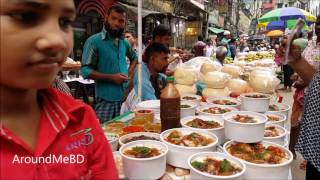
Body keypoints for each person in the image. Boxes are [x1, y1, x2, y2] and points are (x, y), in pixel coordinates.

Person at [0, 0, 118, 179]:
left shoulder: (80, 120)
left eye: (64, 22)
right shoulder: (94, 42)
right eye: (25, 16)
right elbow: (86, 70)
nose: (57, 41)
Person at [279, 14, 320, 179]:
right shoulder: (312, 43)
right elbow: (317, 80)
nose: (319, 27)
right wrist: (296, 62)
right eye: (318, 23)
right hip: (315, 139)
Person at [81, 4, 138, 123]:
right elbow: (85, 71)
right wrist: (112, 78)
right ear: (106, 18)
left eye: (121, 20)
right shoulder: (94, 42)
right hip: (106, 100)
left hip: (126, 98)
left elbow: (135, 57)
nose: (117, 23)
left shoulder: (124, 43)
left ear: (125, 23)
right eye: (114, 18)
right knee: (107, 135)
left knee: (125, 134)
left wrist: (129, 73)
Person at [121, 43, 170, 112]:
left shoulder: (155, 73)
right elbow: (152, 102)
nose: (167, 63)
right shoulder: (141, 73)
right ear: (152, 59)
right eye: (164, 59)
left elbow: (163, 78)